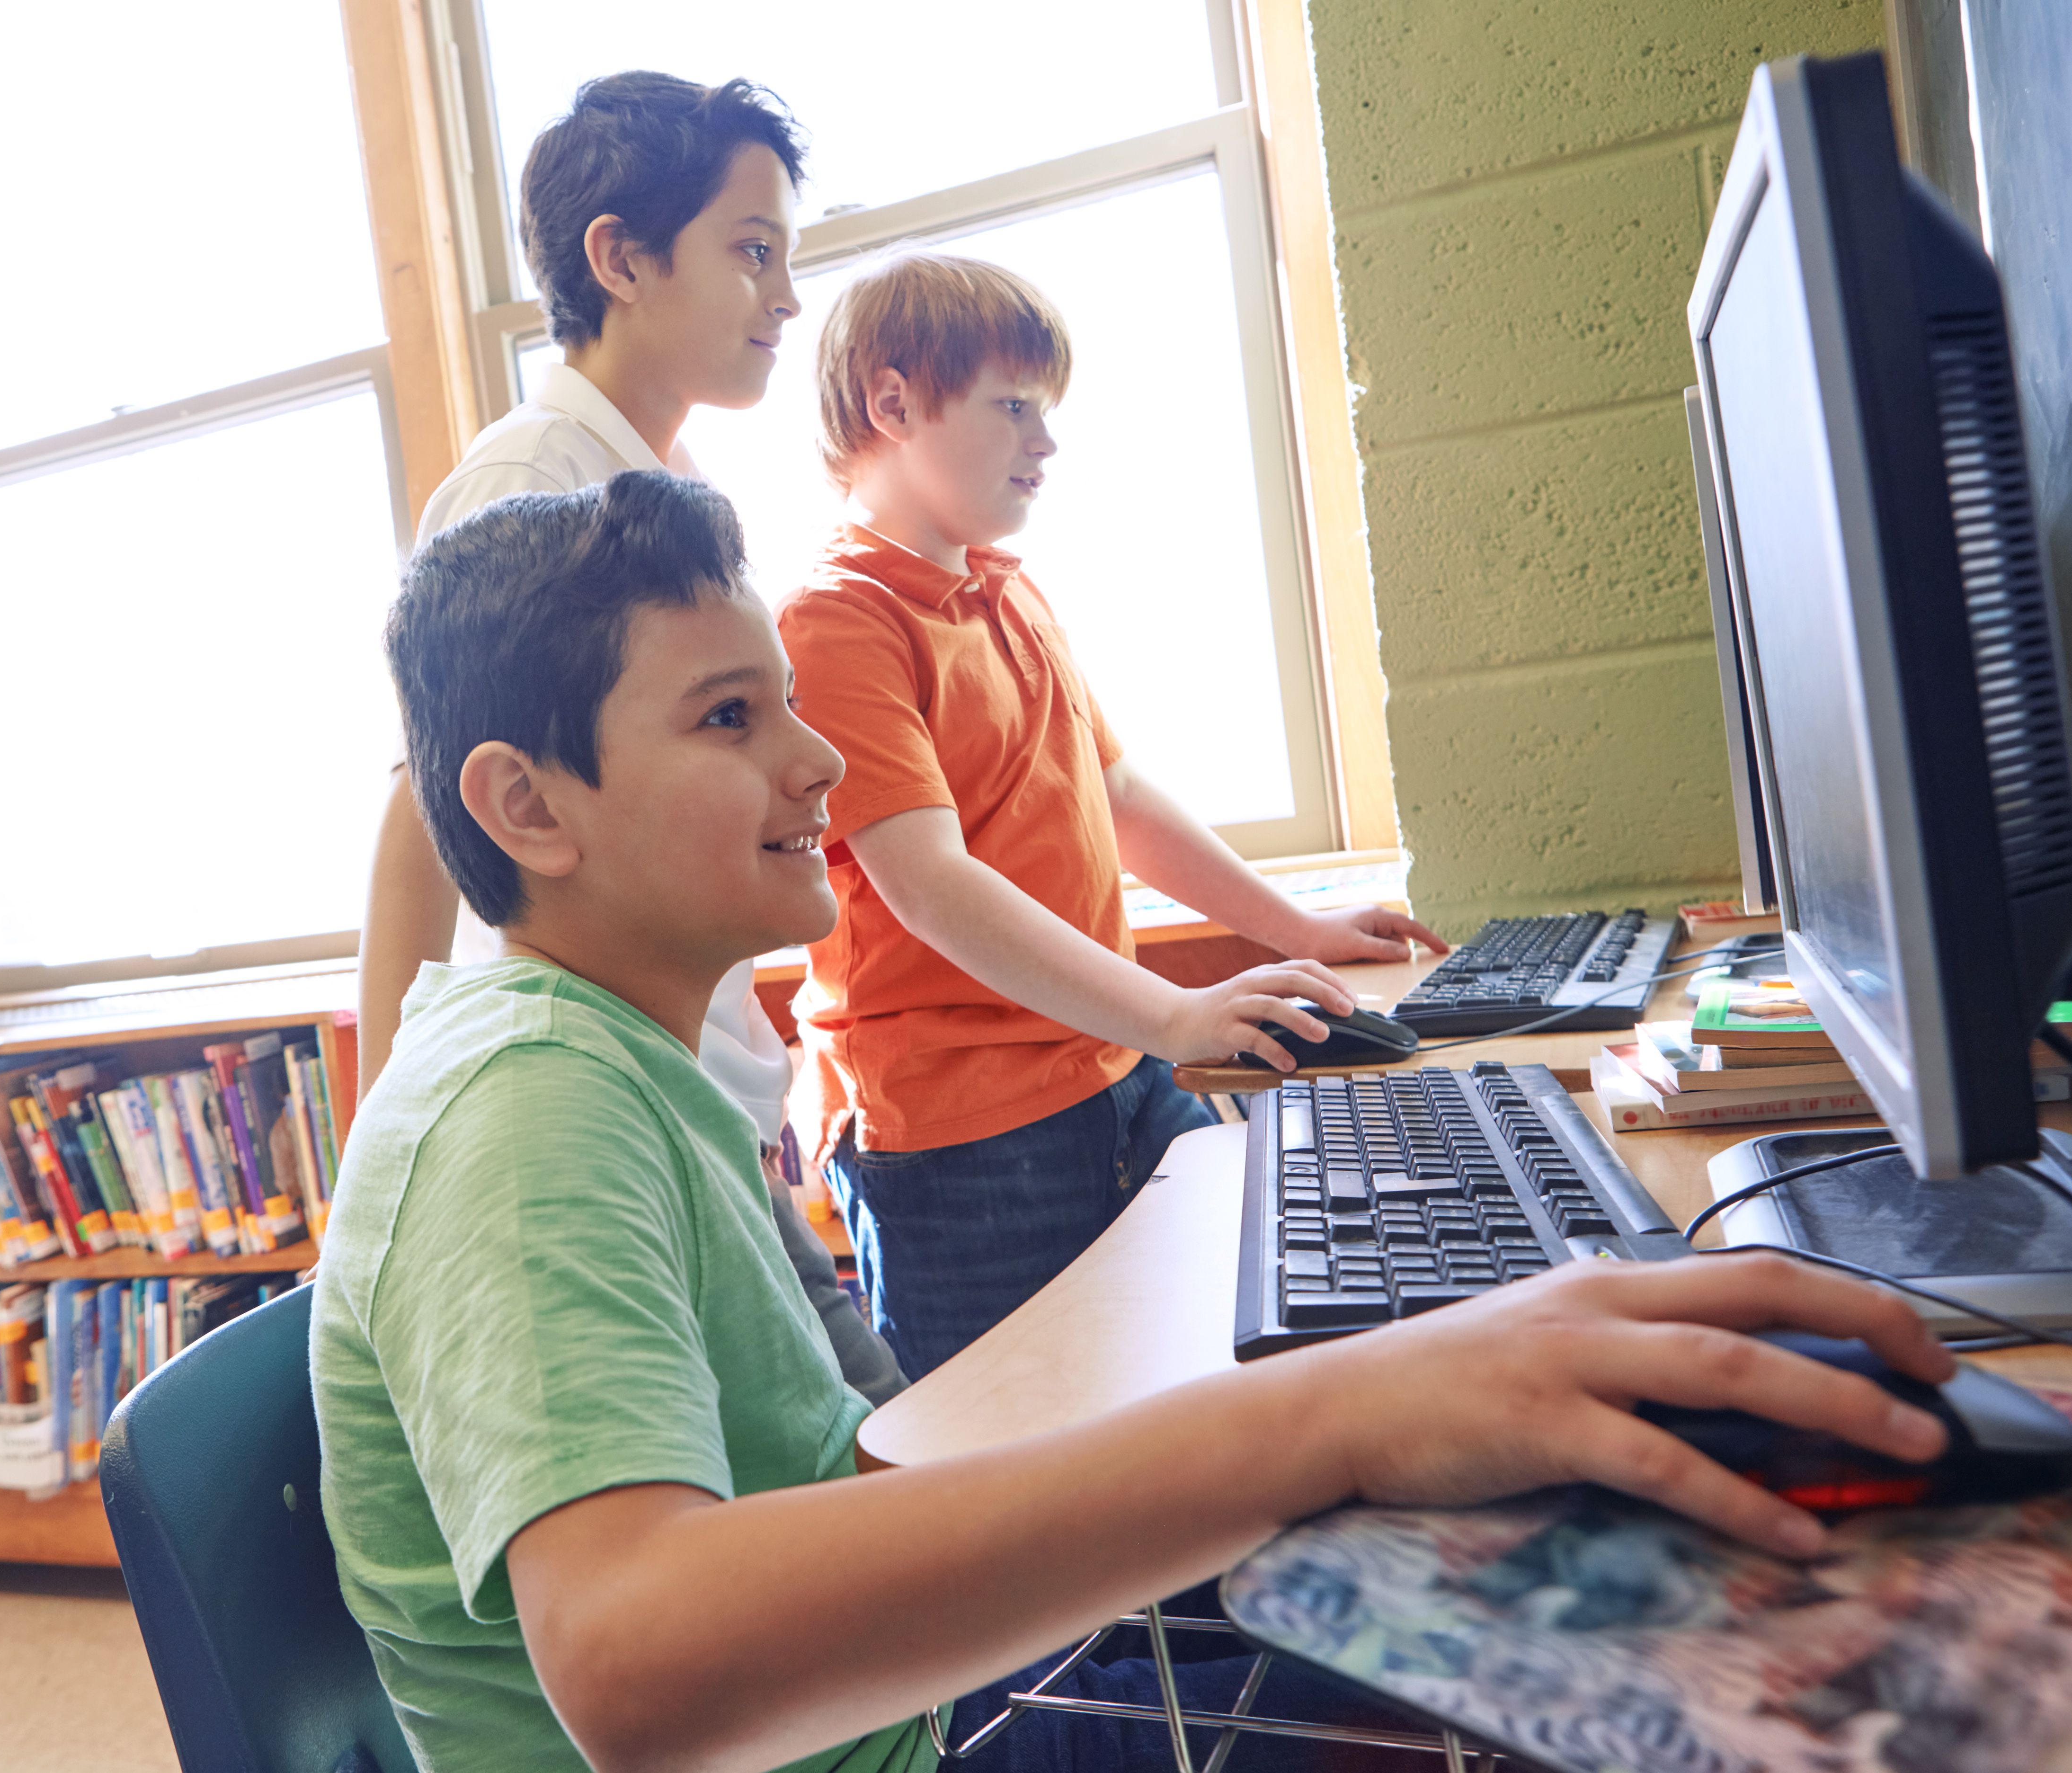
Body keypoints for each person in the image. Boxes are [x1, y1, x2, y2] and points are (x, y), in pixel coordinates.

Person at [313, 468, 1957, 1773]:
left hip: (906, 1719)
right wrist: (1338, 1411)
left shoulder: (612, 1069)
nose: (817, 760)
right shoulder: (519, 1113)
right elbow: (635, 1667)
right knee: (1642, 1681)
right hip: (915, 1739)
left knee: (1580, 1592)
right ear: (526, 805)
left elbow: (866, 1464)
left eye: (787, 704)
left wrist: (1353, 1390)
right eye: (728, 717)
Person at [775, 253, 1447, 1378]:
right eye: (1012, 406)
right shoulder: (836, 623)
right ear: (892, 404)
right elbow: (930, 885)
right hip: (966, 1142)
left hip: (1119, 1071)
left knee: (1225, 1369)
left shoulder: (1008, 590)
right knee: (1019, 1451)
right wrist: (1177, 1016)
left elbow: (1117, 797)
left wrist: (1298, 931)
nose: (1044, 441)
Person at [353, 71, 904, 1403]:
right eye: (752, 251)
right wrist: (386, 1151)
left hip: (699, 1089)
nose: (786, 297)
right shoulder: (529, 481)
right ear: (621, 259)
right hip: (613, 1104)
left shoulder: (666, 483)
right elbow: (425, 821)